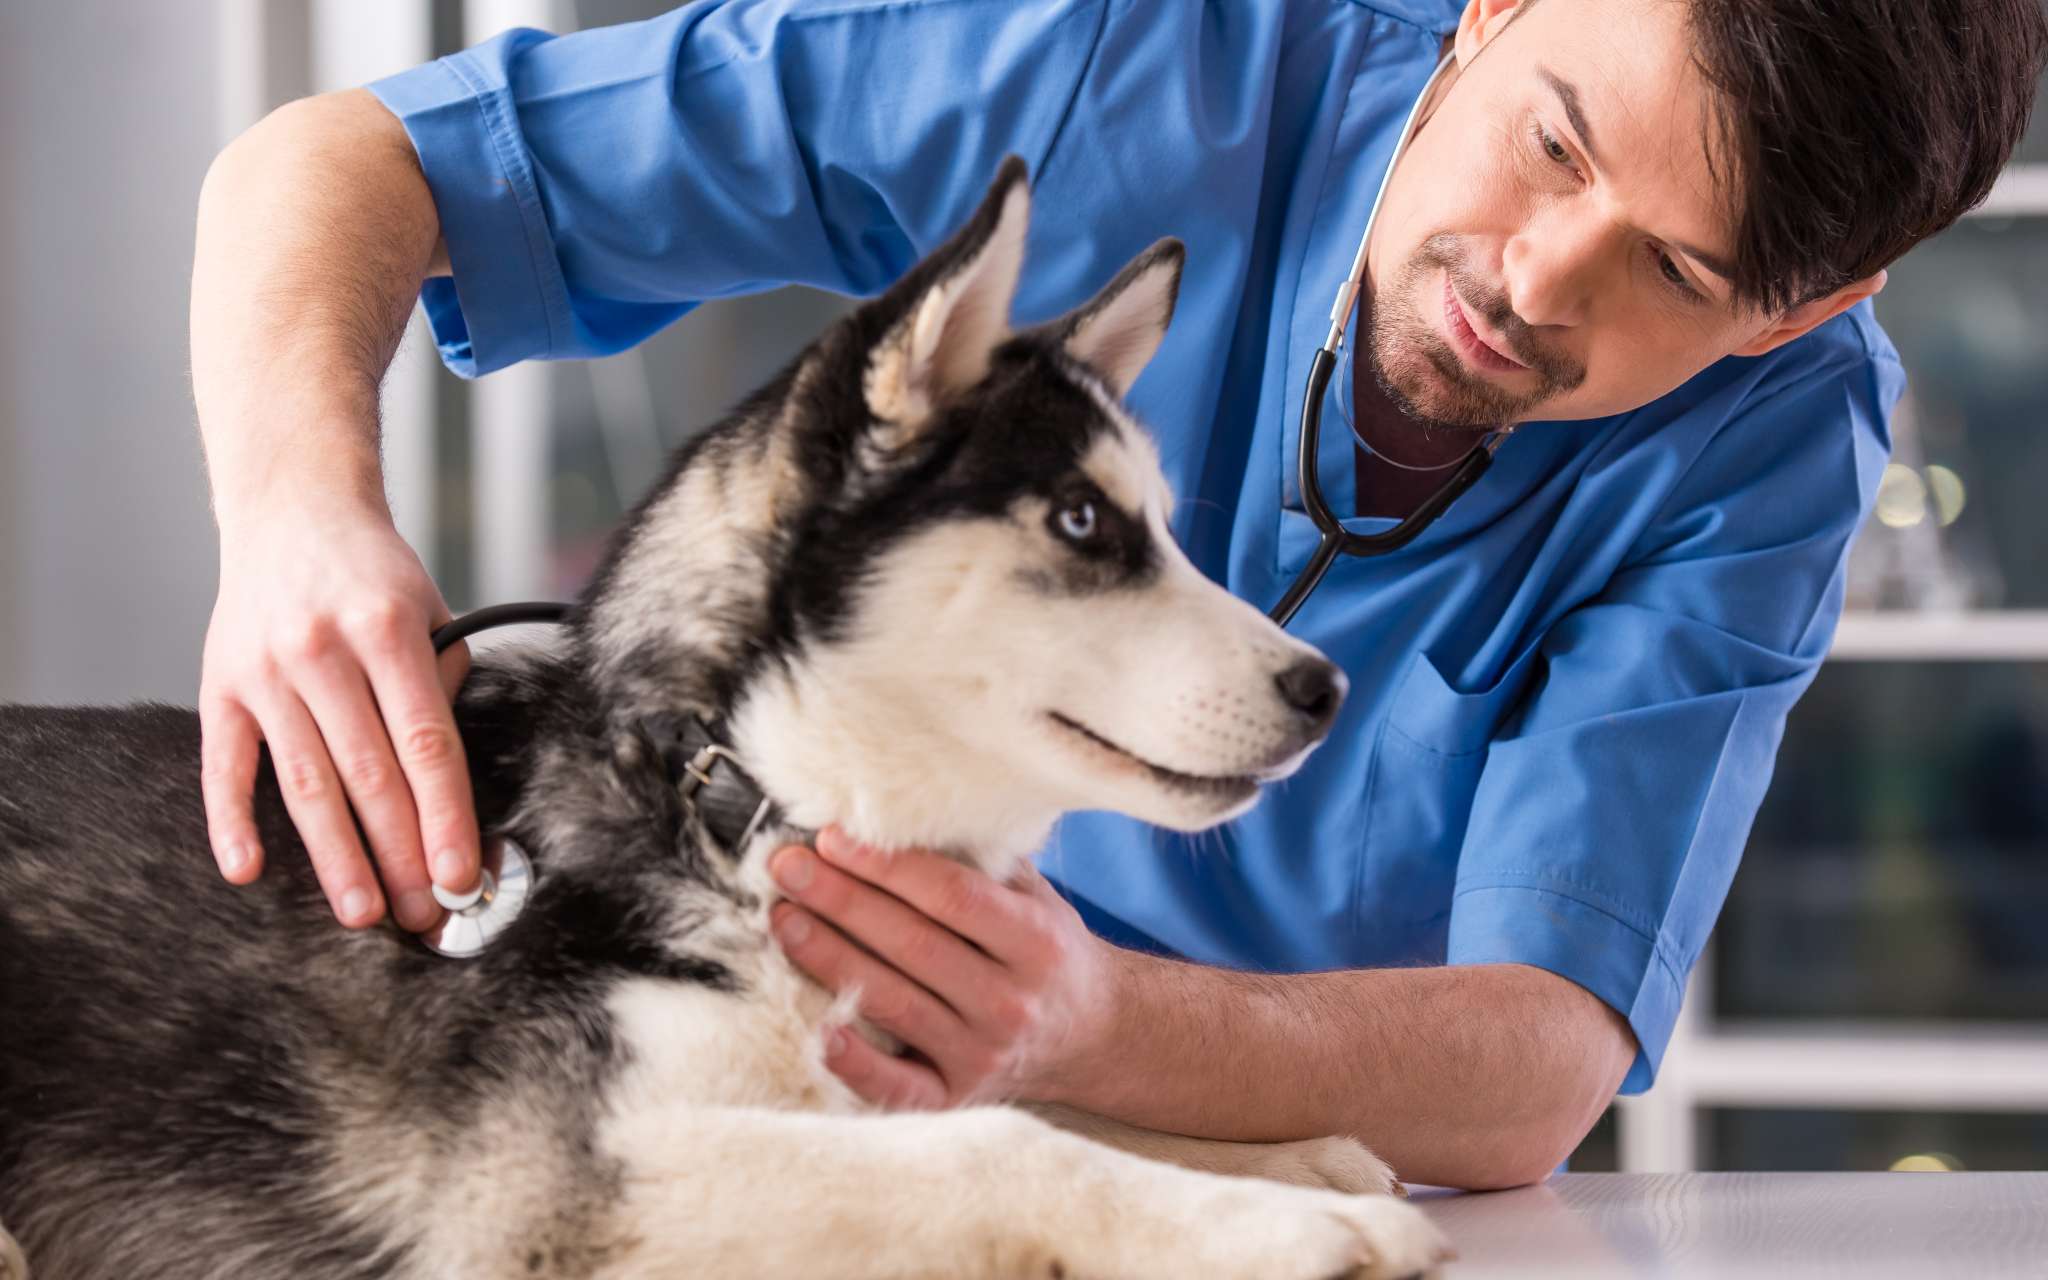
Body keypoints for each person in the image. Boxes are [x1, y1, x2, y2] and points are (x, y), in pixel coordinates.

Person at [190, 0, 2046, 1188]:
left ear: (1799, 314)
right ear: (1492, 9)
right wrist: (296, 515)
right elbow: (346, 162)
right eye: (1556, 141)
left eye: (1677, 267)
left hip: (1205, 1184)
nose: (1537, 282)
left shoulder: (1780, 440)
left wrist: (1087, 1024)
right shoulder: (1122, 60)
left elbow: (1539, 1062)